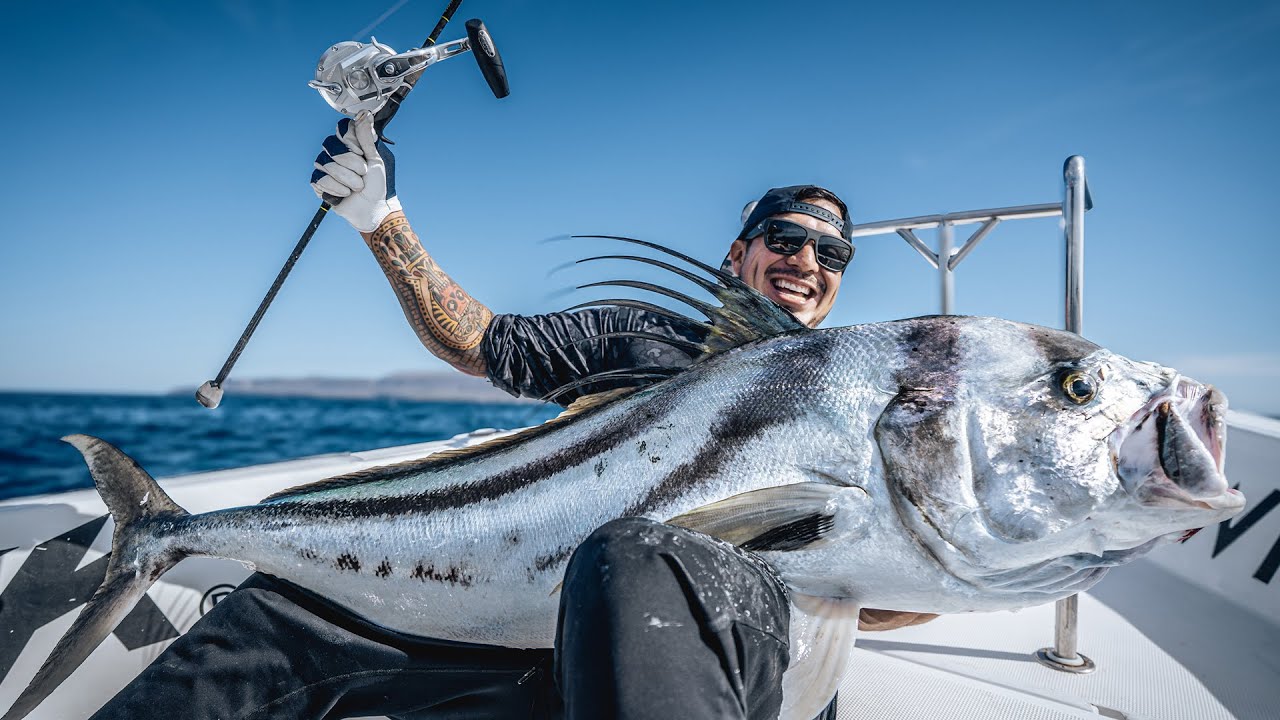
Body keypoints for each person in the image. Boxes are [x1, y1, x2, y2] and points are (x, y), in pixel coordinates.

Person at [91, 113, 932, 720]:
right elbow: (482, 341)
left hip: (697, 644)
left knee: (634, 582)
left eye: (833, 255)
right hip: (506, 609)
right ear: (737, 253)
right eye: (785, 239)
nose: (807, 263)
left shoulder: (862, 392)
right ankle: (161, 543)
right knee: (275, 618)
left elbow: (889, 586)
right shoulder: (642, 335)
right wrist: (380, 220)